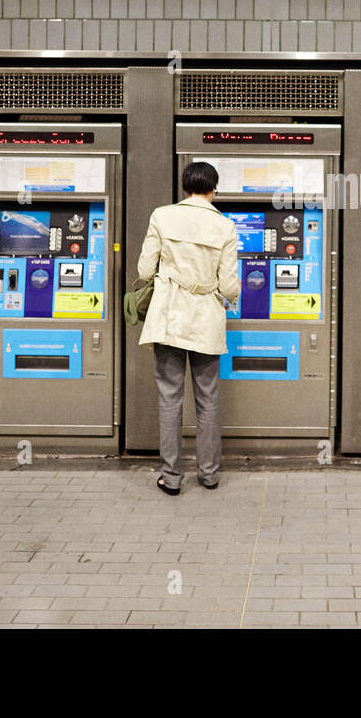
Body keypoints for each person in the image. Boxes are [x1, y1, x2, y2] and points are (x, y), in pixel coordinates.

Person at [136, 161, 240, 495]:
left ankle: (172, 477)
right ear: (213, 189)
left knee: (170, 398)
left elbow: (143, 269)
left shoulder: (162, 216)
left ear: (185, 186)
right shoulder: (224, 226)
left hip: (169, 317)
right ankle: (209, 475)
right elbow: (229, 288)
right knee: (207, 400)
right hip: (206, 319)